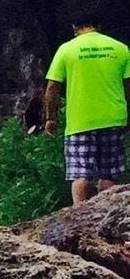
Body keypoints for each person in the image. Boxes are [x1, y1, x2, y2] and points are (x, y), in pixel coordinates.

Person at [45, 18, 130, 203]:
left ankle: (79, 216)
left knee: (80, 173)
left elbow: (52, 87)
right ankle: (107, 214)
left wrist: (50, 118)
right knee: (109, 173)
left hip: (80, 121)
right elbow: (128, 85)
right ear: (99, 26)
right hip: (114, 118)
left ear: (74, 27)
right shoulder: (120, 48)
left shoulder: (67, 49)